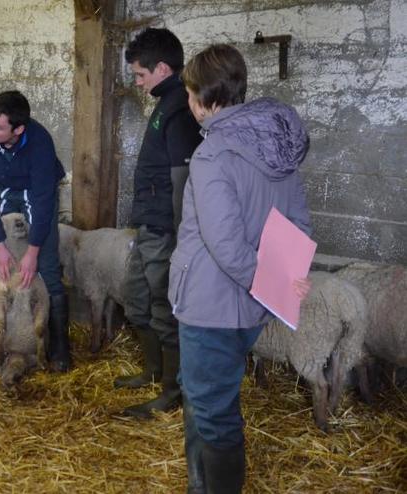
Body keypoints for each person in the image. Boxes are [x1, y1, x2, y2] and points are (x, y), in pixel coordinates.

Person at [169, 44, 312, 493]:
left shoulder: (214, 155)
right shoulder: (277, 148)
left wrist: (269, 281)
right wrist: (284, 282)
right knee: (205, 394)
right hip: (249, 307)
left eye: (190, 94)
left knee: (214, 412)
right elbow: (300, 223)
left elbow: (225, 244)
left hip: (212, 305)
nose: (189, 104)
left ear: (202, 97)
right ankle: (199, 485)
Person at [114, 28, 202, 418]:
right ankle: (153, 369)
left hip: (166, 229)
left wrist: (182, 235)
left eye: (139, 74)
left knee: (165, 306)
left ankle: (171, 391)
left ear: (162, 68)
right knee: (136, 298)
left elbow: (183, 179)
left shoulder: (181, 108)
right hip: (148, 226)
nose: (137, 81)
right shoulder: (165, 103)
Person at [0, 90, 71, 372]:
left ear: (18, 129)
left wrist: (33, 251)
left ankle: (59, 348)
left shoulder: (40, 142)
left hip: (36, 189)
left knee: (48, 267)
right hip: (1, 188)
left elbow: (43, 202)